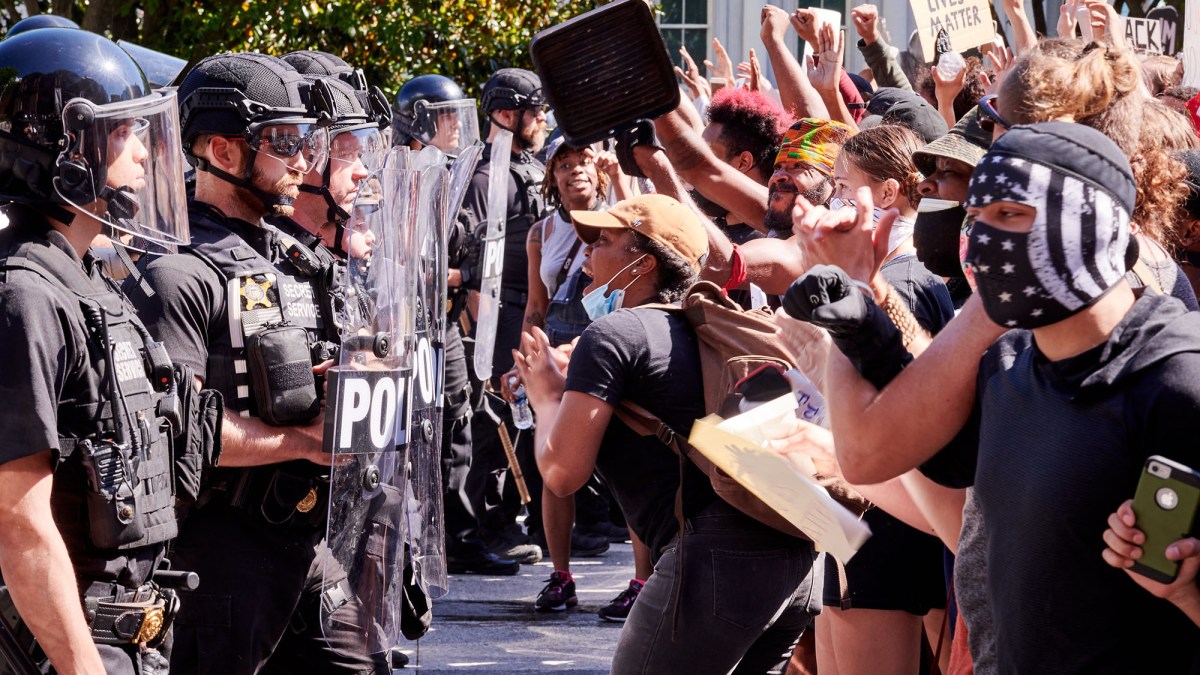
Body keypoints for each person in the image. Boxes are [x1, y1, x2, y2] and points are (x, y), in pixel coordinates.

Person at [131, 52, 387, 674]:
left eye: (309, 139)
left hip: (302, 537)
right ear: (221, 151)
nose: (304, 158)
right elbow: (176, 433)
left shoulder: (288, 255)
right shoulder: (178, 272)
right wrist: (303, 440)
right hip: (219, 553)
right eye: (285, 140)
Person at [517, 191, 820, 674]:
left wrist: (546, 396)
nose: (588, 253)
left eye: (604, 241)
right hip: (795, 563)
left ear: (641, 263)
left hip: (717, 564)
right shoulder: (700, 329)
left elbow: (561, 473)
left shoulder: (613, 334)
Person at [0, 27, 195, 674]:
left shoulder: (85, 279)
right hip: (70, 646)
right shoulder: (26, 296)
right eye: (122, 133)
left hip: (130, 637)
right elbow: (18, 520)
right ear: (66, 148)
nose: (142, 153)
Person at [460, 67, 551, 566]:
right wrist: (487, 338)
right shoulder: (484, 178)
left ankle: (517, 514)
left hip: (529, 309)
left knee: (523, 420)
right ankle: (482, 527)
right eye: (534, 112)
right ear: (505, 114)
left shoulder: (529, 167)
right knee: (492, 422)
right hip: (498, 313)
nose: (541, 121)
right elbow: (474, 264)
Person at [392, 74, 480, 157]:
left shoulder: (458, 170)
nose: (458, 125)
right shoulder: (393, 172)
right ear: (420, 126)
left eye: (457, 116)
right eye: (447, 117)